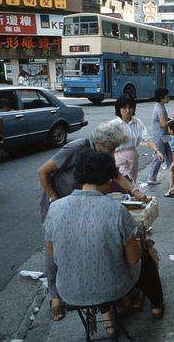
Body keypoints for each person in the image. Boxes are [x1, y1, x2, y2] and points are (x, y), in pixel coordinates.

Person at [37, 121, 150, 321]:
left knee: (83, 247)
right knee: (55, 252)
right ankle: (54, 296)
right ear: (99, 143)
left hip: (79, 204)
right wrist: (55, 200)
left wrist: (135, 191)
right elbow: (43, 172)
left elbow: (116, 174)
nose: (113, 153)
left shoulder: (103, 158)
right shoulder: (76, 148)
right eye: (111, 149)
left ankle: (102, 306)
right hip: (60, 203)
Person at [44, 150, 164, 337]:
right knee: (145, 257)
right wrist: (139, 243)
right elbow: (133, 260)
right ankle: (156, 305)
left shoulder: (55, 208)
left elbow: (52, 254)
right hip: (113, 288)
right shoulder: (116, 210)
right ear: (109, 180)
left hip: (68, 292)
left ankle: (109, 324)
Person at [110, 94, 163, 184]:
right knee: (124, 182)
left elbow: (147, 138)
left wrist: (157, 151)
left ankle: (132, 197)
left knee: (133, 181)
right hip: (119, 157)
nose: (127, 111)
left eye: (130, 107)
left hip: (133, 156)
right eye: (124, 108)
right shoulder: (113, 125)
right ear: (119, 109)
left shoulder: (137, 122)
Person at [148, 89, 173, 185]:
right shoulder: (159, 108)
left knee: (170, 154)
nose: (168, 97)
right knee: (159, 156)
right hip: (159, 136)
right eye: (167, 96)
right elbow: (163, 124)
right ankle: (151, 178)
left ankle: (173, 173)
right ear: (162, 98)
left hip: (164, 135)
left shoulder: (161, 106)